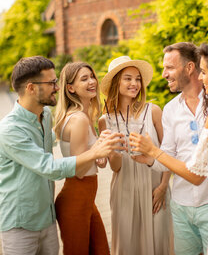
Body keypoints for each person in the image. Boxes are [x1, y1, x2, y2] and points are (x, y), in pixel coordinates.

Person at [0, 56, 123, 255]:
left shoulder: (46, 116)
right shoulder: (10, 130)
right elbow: (49, 168)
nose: (57, 87)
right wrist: (95, 151)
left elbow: (71, 150)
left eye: (56, 82)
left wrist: (95, 153)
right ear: (31, 88)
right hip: (20, 222)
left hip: (47, 217)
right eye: (51, 83)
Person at [130, 38, 208, 254]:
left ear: (189, 67)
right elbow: (169, 155)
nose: (164, 74)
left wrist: (153, 150)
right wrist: (151, 159)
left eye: (169, 67)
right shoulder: (170, 110)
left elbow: (197, 173)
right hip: (181, 205)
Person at [99, 56, 174, 255]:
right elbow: (114, 167)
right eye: (128, 78)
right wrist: (114, 149)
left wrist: (163, 187)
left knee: (160, 241)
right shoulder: (105, 120)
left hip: (155, 187)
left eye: (138, 79)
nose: (135, 84)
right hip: (123, 189)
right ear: (116, 82)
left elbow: (168, 153)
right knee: (128, 244)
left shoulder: (154, 111)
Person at [54, 62, 110, 255]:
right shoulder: (79, 119)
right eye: (83, 79)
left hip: (87, 199)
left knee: (101, 250)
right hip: (76, 197)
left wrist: (99, 156)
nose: (91, 81)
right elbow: (77, 169)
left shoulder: (86, 115)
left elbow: (87, 158)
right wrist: (100, 146)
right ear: (70, 88)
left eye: (92, 76)